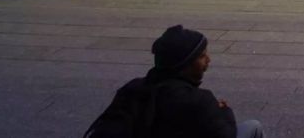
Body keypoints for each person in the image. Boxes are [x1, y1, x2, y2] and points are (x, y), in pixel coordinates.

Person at [85, 25, 264, 138]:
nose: (208, 60)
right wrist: (224, 111)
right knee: (253, 127)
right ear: (184, 64)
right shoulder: (199, 100)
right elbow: (226, 134)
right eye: (202, 56)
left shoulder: (132, 89)